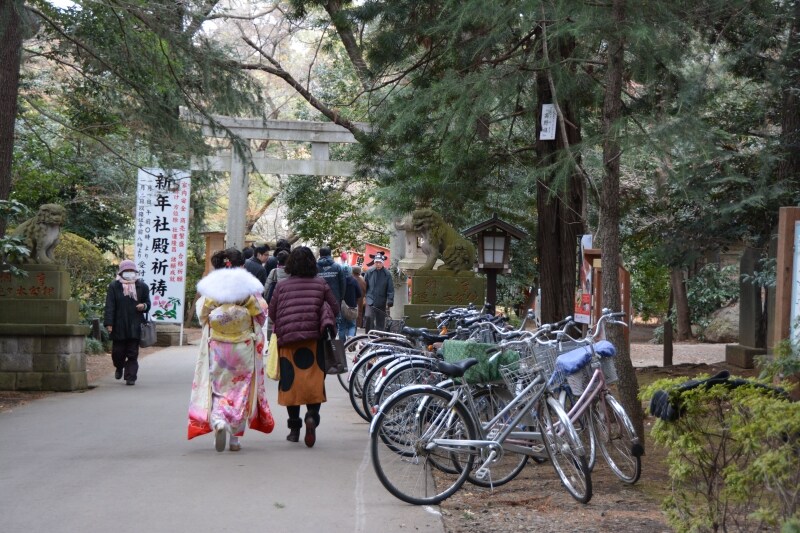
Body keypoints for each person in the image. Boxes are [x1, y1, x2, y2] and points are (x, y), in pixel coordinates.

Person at [187, 248, 274, 452]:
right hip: (243, 346)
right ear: (241, 265)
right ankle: (235, 439)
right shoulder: (247, 287)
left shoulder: (212, 288)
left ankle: (218, 421)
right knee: (241, 389)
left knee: (218, 386)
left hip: (218, 345)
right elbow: (261, 315)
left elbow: (203, 315)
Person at [269, 246, 339, 448]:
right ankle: (312, 417)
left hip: (288, 341)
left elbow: (273, 313)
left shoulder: (282, 286)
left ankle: (294, 430)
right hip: (314, 341)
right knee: (313, 383)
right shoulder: (320, 284)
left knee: (291, 383)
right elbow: (334, 308)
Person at [103, 260, 151, 386]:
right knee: (117, 353)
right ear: (121, 272)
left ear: (135, 272)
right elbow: (110, 306)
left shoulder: (143, 286)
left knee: (132, 353)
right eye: (126, 271)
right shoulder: (114, 286)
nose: (129, 273)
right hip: (118, 325)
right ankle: (119, 367)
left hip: (135, 325)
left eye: (131, 271)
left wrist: (144, 306)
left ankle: (131, 377)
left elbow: (148, 303)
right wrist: (109, 323)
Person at [316, 246, 346, 331]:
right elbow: (343, 284)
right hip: (335, 299)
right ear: (330, 254)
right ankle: (334, 343)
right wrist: (341, 297)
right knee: (334, 323)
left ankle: (322, 343)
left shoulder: (314, 267)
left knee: (320, 322)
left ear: (320, 254)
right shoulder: (338, 267)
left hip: (318, 299)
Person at [364, 252, 394, 332]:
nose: (377, 264)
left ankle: (379, 337)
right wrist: (364, 296)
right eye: (376, 262)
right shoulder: (369, 272)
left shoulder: (387, 274)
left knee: (380, 320)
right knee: (368, 317)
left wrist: (390, 300)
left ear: (382, 263)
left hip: (381, 300)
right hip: (370, 298)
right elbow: (364, 285)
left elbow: (390, 288)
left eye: (379, 262)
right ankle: (368, 334)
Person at [338, 264, 362, 340]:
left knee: (341, 327)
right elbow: (359, 294)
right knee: (352, 325)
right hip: (352, 307)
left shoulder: (339, 281)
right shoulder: (354, 281)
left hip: (341, 307)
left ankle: (343, 346)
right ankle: (350, 337)